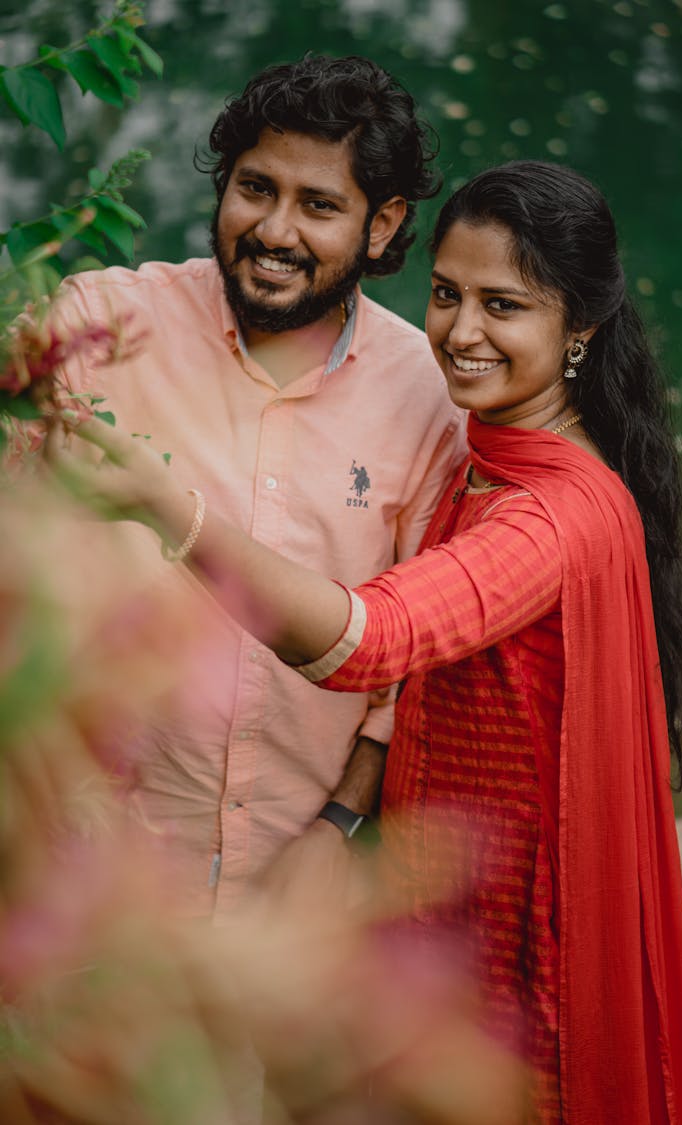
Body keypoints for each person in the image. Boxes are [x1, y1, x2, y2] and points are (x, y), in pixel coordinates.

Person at [51, 160, 682, 1123]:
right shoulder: (490, 456)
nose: (462, 332)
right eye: (446, 295)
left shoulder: (552, 516)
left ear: (580, 329)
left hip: (518, 911)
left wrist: (171, 511)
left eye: (505, 306)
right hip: (448, 885)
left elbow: (373, 640)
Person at [45, 54, 465, 919]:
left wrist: (344, 822)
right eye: (255, 188)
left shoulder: (429, 396)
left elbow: (416, 660)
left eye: (318, 205)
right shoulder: (102, 325)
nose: (274, 231)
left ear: (382, 225)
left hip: (291, 886)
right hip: (89, 868)